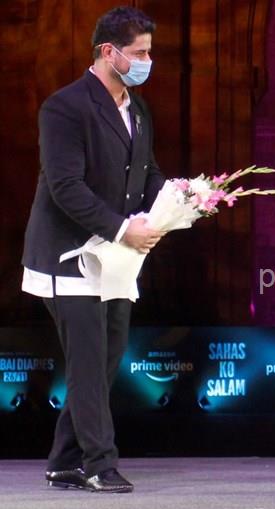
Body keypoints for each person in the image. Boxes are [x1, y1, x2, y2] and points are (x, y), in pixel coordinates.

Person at [21, 6, 166, 493]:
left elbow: (147, 173)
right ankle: (99, 464)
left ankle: (64, 461)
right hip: (68, 258)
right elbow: (66, 187)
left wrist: (181, 202)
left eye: (149, 52)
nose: (147, 61)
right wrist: (124, 229)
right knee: (87, 361)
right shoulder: (64, 108)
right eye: (139, 53)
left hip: (114, 259)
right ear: (108, 52)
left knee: (105, 359)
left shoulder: (137, 109)